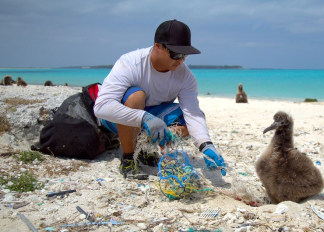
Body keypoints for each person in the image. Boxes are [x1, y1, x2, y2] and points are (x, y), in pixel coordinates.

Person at [94, 19, 226, 179]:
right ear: (158, 46)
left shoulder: (185, 76)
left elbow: (193, 113)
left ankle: (144, 148)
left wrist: (206, 145)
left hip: (153, 118)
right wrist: (144, 117)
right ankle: (128, 158)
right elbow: (101, 107)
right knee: (136, 96)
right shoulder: (130, 63)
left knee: (189, 120)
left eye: (185, 55)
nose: (181, 60)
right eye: (176, 54)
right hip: (118, 118)